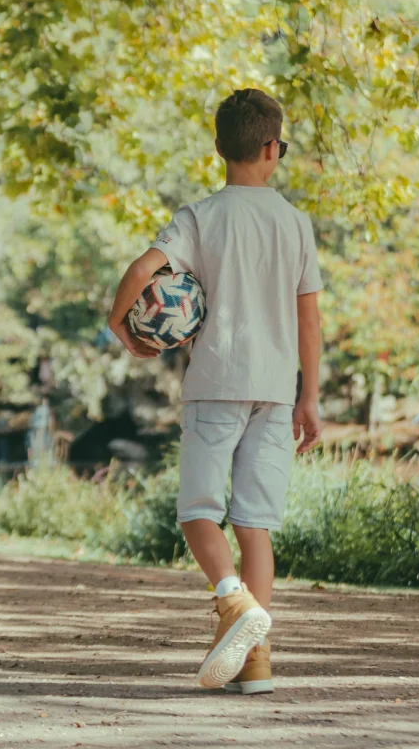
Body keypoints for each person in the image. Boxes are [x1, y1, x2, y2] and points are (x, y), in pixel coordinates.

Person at [106, 88, 323, 695]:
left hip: (216, 382)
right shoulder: (295, 223)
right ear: (272, 148)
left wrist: (119, 325)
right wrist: (311, 396)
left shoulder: (199, 217)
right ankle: (256, 661)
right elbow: (310, 320)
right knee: (256, 523)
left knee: (199, 511)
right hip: (277, 390)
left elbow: (143, 269)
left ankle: (232, 600)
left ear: (220, 148)